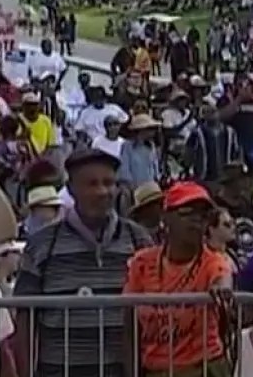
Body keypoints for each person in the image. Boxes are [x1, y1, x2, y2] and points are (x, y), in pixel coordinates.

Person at [11, 148, 155, 377]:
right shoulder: (42, 244)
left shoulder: (138, 239)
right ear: (70, 190)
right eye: (91, 183)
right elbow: (25, 317)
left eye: (109, 183)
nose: (102, 191)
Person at [124, 181, 236, 377]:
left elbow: (222, 278)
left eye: (203, 214)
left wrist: (221, 289)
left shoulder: (213, 260)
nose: (197, 219)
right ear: (166, 217)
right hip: (155, 369)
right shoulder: (141, 262)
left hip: (203, 368)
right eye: (187, 212)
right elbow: (130, 321)